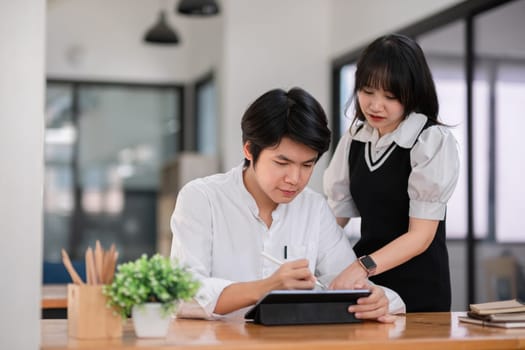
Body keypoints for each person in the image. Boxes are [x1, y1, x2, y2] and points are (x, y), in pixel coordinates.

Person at [170, 87, 405, 321]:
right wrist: (266, 287)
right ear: (250, 150)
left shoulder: (313, 208)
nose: (294, 179)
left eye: (307, 165)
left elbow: (346, 281)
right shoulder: (202, 198)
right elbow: (182, 294)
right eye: (282, 163)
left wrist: (375, 298)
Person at [324, 34, 459, 312]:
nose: (375, 105)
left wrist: (362, 266)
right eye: (368, 91)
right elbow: (334, 218)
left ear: (413, 94)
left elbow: (420, 236)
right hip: (368, 287)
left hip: (417, 290)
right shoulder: (355, 138)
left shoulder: (430, 140)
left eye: (390, 96)